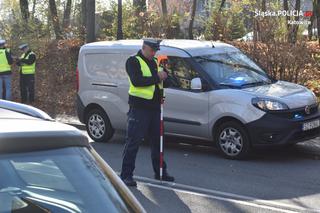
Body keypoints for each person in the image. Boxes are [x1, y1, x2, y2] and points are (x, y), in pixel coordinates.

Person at [120, 39, 175, 187]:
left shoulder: (156, 61)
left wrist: (165, 75)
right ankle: (126, 175)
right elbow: (137, 81)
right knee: (133, 142)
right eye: (151, 50)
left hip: (155, 108)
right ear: (144, 48)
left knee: (158, 142)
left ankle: (160, 171)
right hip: (139, 108)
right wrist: (158, 77)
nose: (153, 53)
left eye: (155, 51)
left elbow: (167, 82)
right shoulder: (133, 61)